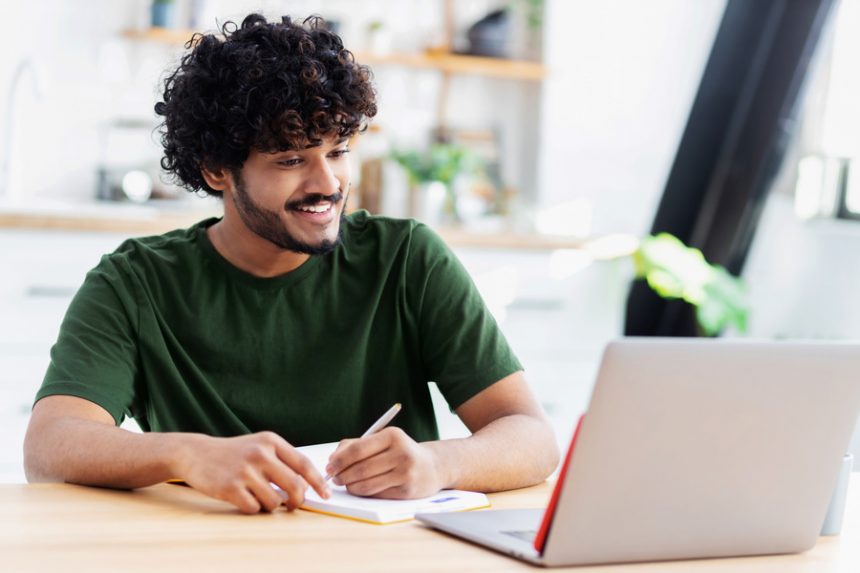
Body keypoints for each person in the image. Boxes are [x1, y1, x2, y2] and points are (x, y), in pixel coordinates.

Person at [23, 14, 559, 514]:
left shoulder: (406, 260)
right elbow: (50, 445)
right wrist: (184, 454)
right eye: (291, 160)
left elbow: (530, 436)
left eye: (339, 150)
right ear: (217, 171)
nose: (327, 184)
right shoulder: (135, 283)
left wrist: (440, 463)